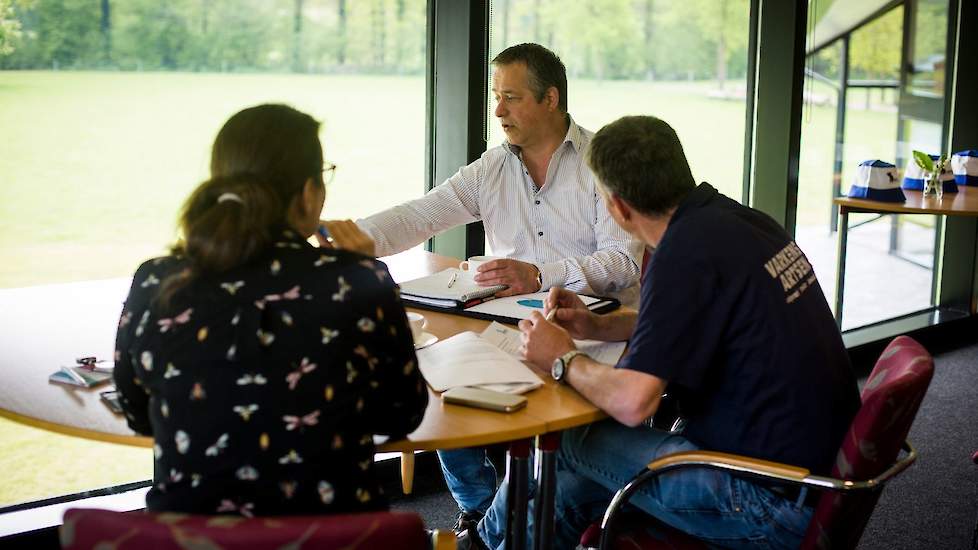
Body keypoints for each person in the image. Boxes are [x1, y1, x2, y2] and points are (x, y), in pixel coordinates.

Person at [460, 115, 862, 549]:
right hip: (815, 482)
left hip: (768, 501)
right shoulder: (739, 223)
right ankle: (485, 544)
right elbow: (701, 320)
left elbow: (634, 402)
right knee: (566, 494)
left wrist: (562, 357)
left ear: (618, 207)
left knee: (569, 441)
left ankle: (480, 543)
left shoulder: (683, 255)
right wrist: (598, 325)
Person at [353, 42, 644, 536]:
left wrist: (538, 274)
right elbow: (423, 214)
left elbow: (624, 261)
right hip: (510, 327)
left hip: (594, 333)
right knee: (440, 377)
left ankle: (498, 529)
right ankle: (484, 512)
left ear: (550, 99)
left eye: (511, 97)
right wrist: (350, 238)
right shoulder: (493, 168)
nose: (497, 110)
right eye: (495, 96)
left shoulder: (602, 162)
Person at [113, 104, 428, 517]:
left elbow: (138, 413)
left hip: (191, 541)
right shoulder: (355, 282)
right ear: (307, 192)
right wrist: (362, 272)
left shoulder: (157, 282)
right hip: (337, 542)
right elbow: (400, 414)